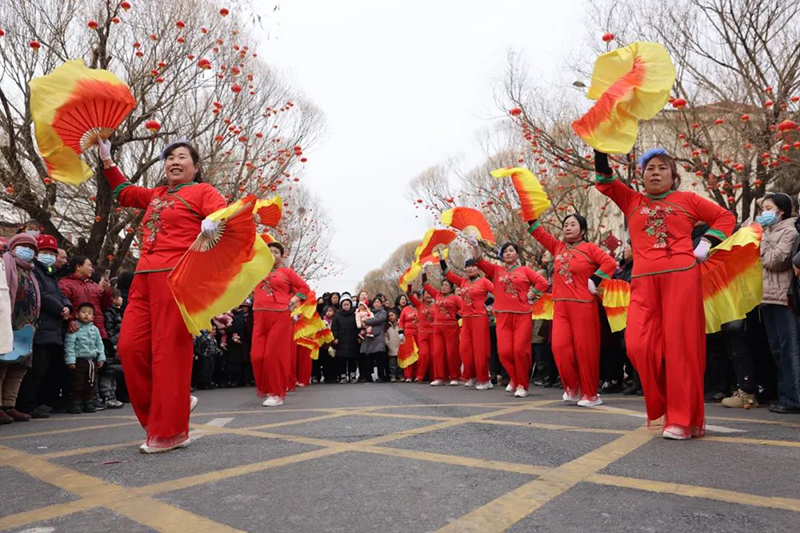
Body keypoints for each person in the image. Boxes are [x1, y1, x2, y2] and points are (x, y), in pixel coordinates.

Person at [594, 147, 735, 438]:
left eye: (662, 168)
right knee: (637, 345)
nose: (655, 172)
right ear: (641, 176)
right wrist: (600, 147)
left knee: (680, 349)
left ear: (673, 176)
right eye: (650, 168)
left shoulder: (688, 200)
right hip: (644, 282)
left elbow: (724, 218)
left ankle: (681, 419)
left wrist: (706, 242)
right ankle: (663, 404)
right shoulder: (632, 200)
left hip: (681, 279)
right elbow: (605, 180)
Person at [98, 138, 227, 452]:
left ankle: (169, 432)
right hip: (142, 282)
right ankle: (172, 407)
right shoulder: (155, 195)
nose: (174, 161)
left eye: (182, 156)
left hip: (175, 279)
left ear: (195, 168)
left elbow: (225, 214)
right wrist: (107, 161)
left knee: (168, 354)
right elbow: (124, 192)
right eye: (170, 157)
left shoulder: (203, 191)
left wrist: (214, 221)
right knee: (130, 349)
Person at [527, 213, 617, 406]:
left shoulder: (590, 248)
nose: (567, 227)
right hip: (560, 306)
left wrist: (595, 278)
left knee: (585, 351)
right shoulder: (557, 247)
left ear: (582, 230)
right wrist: (530, 214)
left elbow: (610, 263)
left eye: (573, 224)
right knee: (559, 348)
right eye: (565, 224)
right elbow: (539, 233)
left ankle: (591, 394)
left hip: (583, 305)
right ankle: (572, 386)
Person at [472, 241, 548, 398]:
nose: (508, 253)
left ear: (517, 254)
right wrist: (476, 246)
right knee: (505, 352)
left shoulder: (525, 270)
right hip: (503, 316)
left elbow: (542, 282)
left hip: (522, 315)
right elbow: (480, 261)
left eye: (511, 250)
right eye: (505, 251)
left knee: (520, 351)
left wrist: (531, 294)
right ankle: (514, 378)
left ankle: (522, 384)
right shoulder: (496, 270)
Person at [17, 235, 71, 419]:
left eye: (51, 253)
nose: (48, 256)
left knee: (43, 369)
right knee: (34, 369)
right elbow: (44, 295)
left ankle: (36, 402)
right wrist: (59, 308)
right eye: (44, 252)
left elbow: (59, 294)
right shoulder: (35, 271)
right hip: (40, 326)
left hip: (52, 328)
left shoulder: (50, 273)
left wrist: (67, 306)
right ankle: (27, 404)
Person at [755, 193, 800, 414]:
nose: (764, 212)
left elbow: (777, 260)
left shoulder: (790, 231)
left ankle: (794, 398)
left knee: (788, 349)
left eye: (768, 208)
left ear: (780, 211)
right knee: (776, 350)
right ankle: (783, 395)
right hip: (767, 297)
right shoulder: (768, 232)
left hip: (784, 297)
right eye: (762, 208)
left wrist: (762, 242)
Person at [251, 241, 310, 406]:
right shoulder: (256, 271)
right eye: (269, 251)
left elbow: (304, 289)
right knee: (256, 356)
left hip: (280, 316)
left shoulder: (287, 272)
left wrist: (293, 300)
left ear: (281, 256)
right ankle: (267, 388)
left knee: (272, 355)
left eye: (276, 252)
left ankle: (276, 394)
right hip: (259, 316)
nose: (272, 254)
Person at [0, 234, 42, 424]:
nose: (28, 251)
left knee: (19, 367)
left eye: (32, 248)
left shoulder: (31, 271)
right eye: (24, 246)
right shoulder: (6, 264)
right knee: (3, 365)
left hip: (26, 326)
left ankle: (9, 405)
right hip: (9, 322)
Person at [440, 257, 494, 390]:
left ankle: (484, 379)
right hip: (466, 319)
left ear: (478, 268)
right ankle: (472, 376)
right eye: (468, 266)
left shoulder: (484, 282)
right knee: (465, 350)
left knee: (480, 350)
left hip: (479, 318)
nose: (470, 268)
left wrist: (486, 304)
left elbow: (497, 293)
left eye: (473, 266)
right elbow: (448, 274)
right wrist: (442, 260)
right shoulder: (463, 282)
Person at [63, 303, 106, 414]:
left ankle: (88, 402)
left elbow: (99, 344)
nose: (86, 315)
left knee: (91, 382)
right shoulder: (74, 328)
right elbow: (69, 345)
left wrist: (101, 357)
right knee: (77, 382)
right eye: (83, 312)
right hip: (79, 360)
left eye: (89, 313)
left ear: (93, 317)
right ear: (77, 315)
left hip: (92, 360)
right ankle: (75, 403)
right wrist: (70, 360)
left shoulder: (94, 329)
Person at [423, 271, 463, 386]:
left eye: (446, 285)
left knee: (451, 353)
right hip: (438, 328)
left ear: (451, 287)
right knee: (437, 353)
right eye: (442, 285)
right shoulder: (437, 295)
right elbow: (426, 285)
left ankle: (455, 376)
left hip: (451, 328)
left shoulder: (455, 298)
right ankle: (440, 377)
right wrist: (424, 272)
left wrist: (457, 316)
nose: (444, 287)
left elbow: (464, 308)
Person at [100, 290, 124, 408]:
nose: (122, 299)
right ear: (113, 299)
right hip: (111, 346)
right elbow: (110, 330)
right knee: (109, 372)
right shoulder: (109, 314)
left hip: (117, 345)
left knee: (114, 372)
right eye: (119, 297)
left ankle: (112, 395)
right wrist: (114, 342)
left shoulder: (119, 312)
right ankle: (106, 396)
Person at [407, 286, 435, 382]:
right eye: (426, 293)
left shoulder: (437, 305)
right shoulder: (419, 305)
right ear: (422, 296)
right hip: (423, 334)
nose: (429, 295)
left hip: (434, 334)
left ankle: (434, 377)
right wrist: (409, 285)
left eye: (430, 293)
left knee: (434, 356)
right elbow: (410, 294)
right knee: (424, 355)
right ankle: (420, 375)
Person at [331, 297, 360, 382]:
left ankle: (352, 375)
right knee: (341, 359)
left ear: (350, 305)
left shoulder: (355, 315)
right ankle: (342, 375)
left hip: (353, 339)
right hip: (341, 340)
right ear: (341, 305)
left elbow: (358, 326)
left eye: (347, 304)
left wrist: (359, 336)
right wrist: (335, 337)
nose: (346, 306)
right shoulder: (337, 316)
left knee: (352, 358)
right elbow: (334, 327)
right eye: (344, 304)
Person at [360, 295, 388, 382]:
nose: (376, 304)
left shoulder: (383, 312)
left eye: (378, 302)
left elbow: (378, 320)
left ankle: (381, 376)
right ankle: (368, 376)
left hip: (379, 337)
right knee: (368, 357)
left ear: (381, 304)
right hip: (369, 337)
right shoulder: (368, 311)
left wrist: (367, 321)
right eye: (375, 302)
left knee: (380, 358)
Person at [397, 294, 419, 382]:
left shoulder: (421, 308)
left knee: (418, 355)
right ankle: (409, 375)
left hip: (419, 333)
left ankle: (418, 375)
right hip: (408, 335)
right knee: (409, 355)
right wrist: (401, 333)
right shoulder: (405, 309)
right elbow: (401, 321)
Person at [385, 308, 402, 381]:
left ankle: (401, 375)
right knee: (392, 364)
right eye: (389, 316)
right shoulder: (387, 327)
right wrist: (388, 343)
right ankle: (392, 376)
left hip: (400, 345)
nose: (391, 317)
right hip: (391, 347)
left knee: (400, 364)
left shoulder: (400, 324)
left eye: (392, 315)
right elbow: (385, 337)